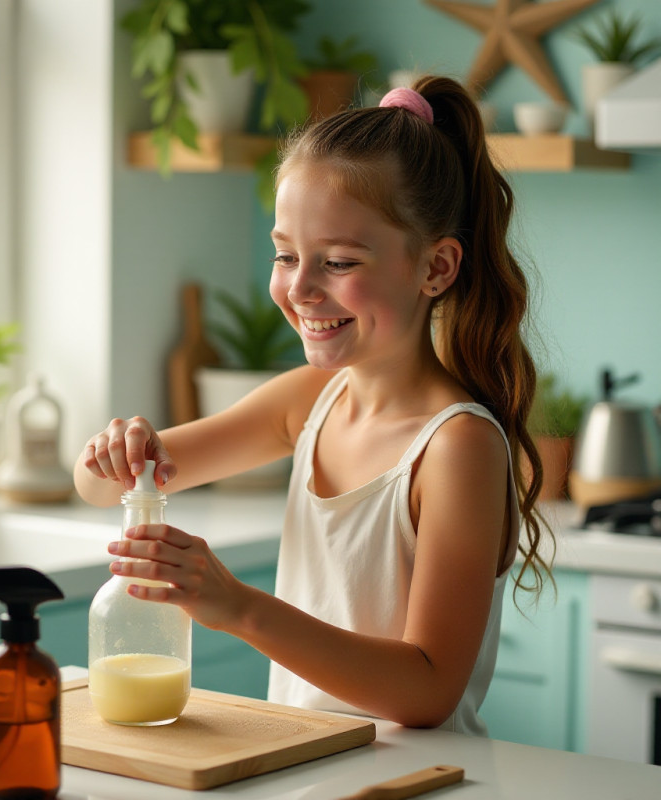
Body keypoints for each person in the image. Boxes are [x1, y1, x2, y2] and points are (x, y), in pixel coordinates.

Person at [74, 75, 553, 734]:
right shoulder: (309, 401)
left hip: (420, 779)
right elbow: (104, 488)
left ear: (436, 268)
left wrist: (238, 607)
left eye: (338, 263)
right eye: (285, 255)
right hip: (310, 768)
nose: (299, 288)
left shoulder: (457, 447)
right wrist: (112, 453)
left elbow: (429, 689)